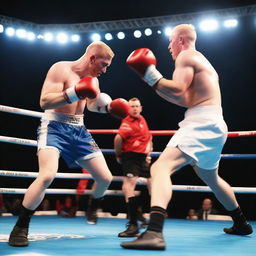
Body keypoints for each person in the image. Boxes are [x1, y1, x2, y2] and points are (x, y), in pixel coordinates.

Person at [121, 24, 253, 250]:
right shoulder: (201, 60)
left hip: (201, 122)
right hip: (214, 122)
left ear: (180, 40)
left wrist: (151, 73)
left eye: (171, 41)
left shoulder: (186, 56)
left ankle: (154, 232)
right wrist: (150, 79)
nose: (168, 46)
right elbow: (184, 99)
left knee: (160, 168)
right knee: (211, 178)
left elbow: (178, 89)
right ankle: (241, 223)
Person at [8, 41, 130, 247]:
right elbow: (44, 101)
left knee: (105, 178)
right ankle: (21, 227)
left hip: (79, 130)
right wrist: (74, 91)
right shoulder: (61, 68)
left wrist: (108, 108)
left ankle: (93, 204)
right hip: (54, 126)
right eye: (104, 64)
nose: (105, 70)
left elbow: (90, 104)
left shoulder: (93, 80)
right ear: (92, 58)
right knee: (47, 174)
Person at [114, 97, 153, 237]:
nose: (135, 108)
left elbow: (149, 137)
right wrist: (119, 155)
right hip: (131, 157)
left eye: (137, 106)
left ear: (141, 107)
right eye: (132, 106)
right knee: (128, 187)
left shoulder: (142, 119)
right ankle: (133, 224)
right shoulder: (126, 122)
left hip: (143, 158)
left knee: (153, 187)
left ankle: (144, 217)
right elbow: (118, 139)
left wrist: (149, 152)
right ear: (128, 109)